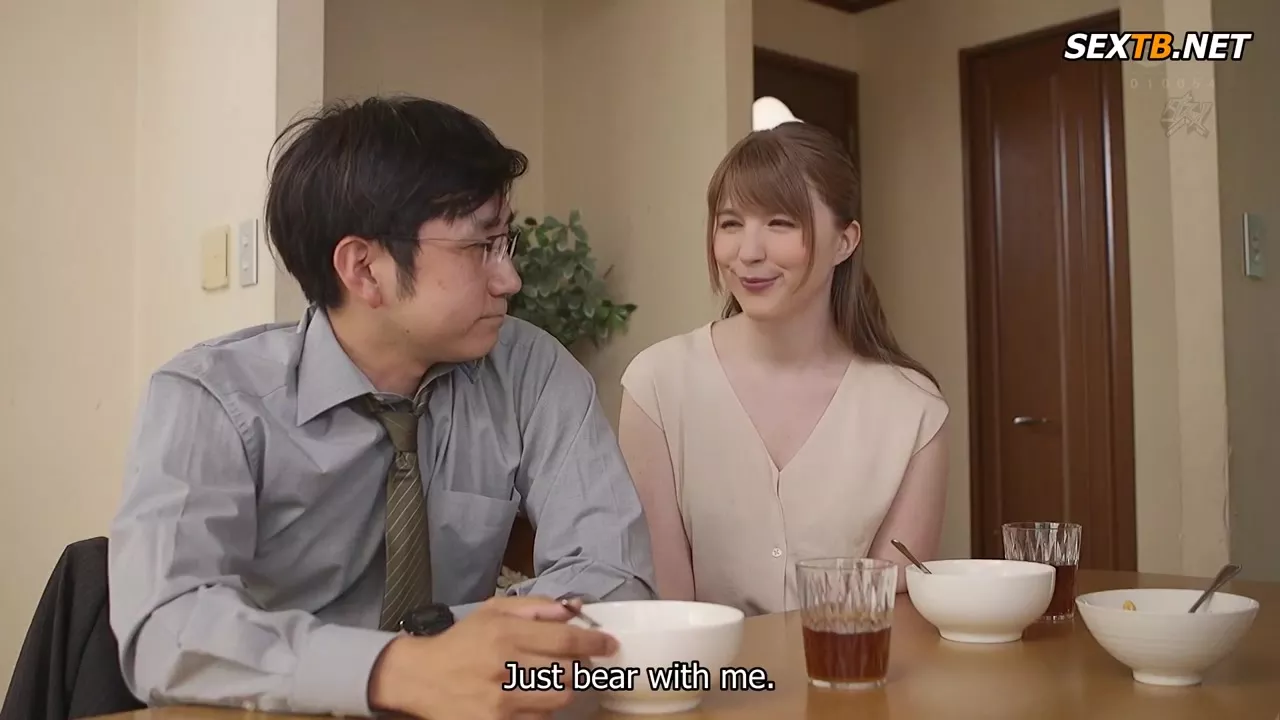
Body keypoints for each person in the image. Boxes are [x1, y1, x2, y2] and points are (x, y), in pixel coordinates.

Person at [108, 95, 656, 720]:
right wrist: (393, 670)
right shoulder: (212, 400)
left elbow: (614, 574)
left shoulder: (529, 370)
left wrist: (464, 650)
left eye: (507, 242)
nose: (511, 280)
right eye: (481, 247)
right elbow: (166, 625)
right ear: (364, 268)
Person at [617, 122, 948, 616]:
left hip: (849, 663)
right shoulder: (657, 386)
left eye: (780, 223)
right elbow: (669, 614)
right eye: (730, 224)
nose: (749, 252)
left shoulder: (914, 411)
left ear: (845, 241)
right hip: (702, 665)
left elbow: (884, 614)